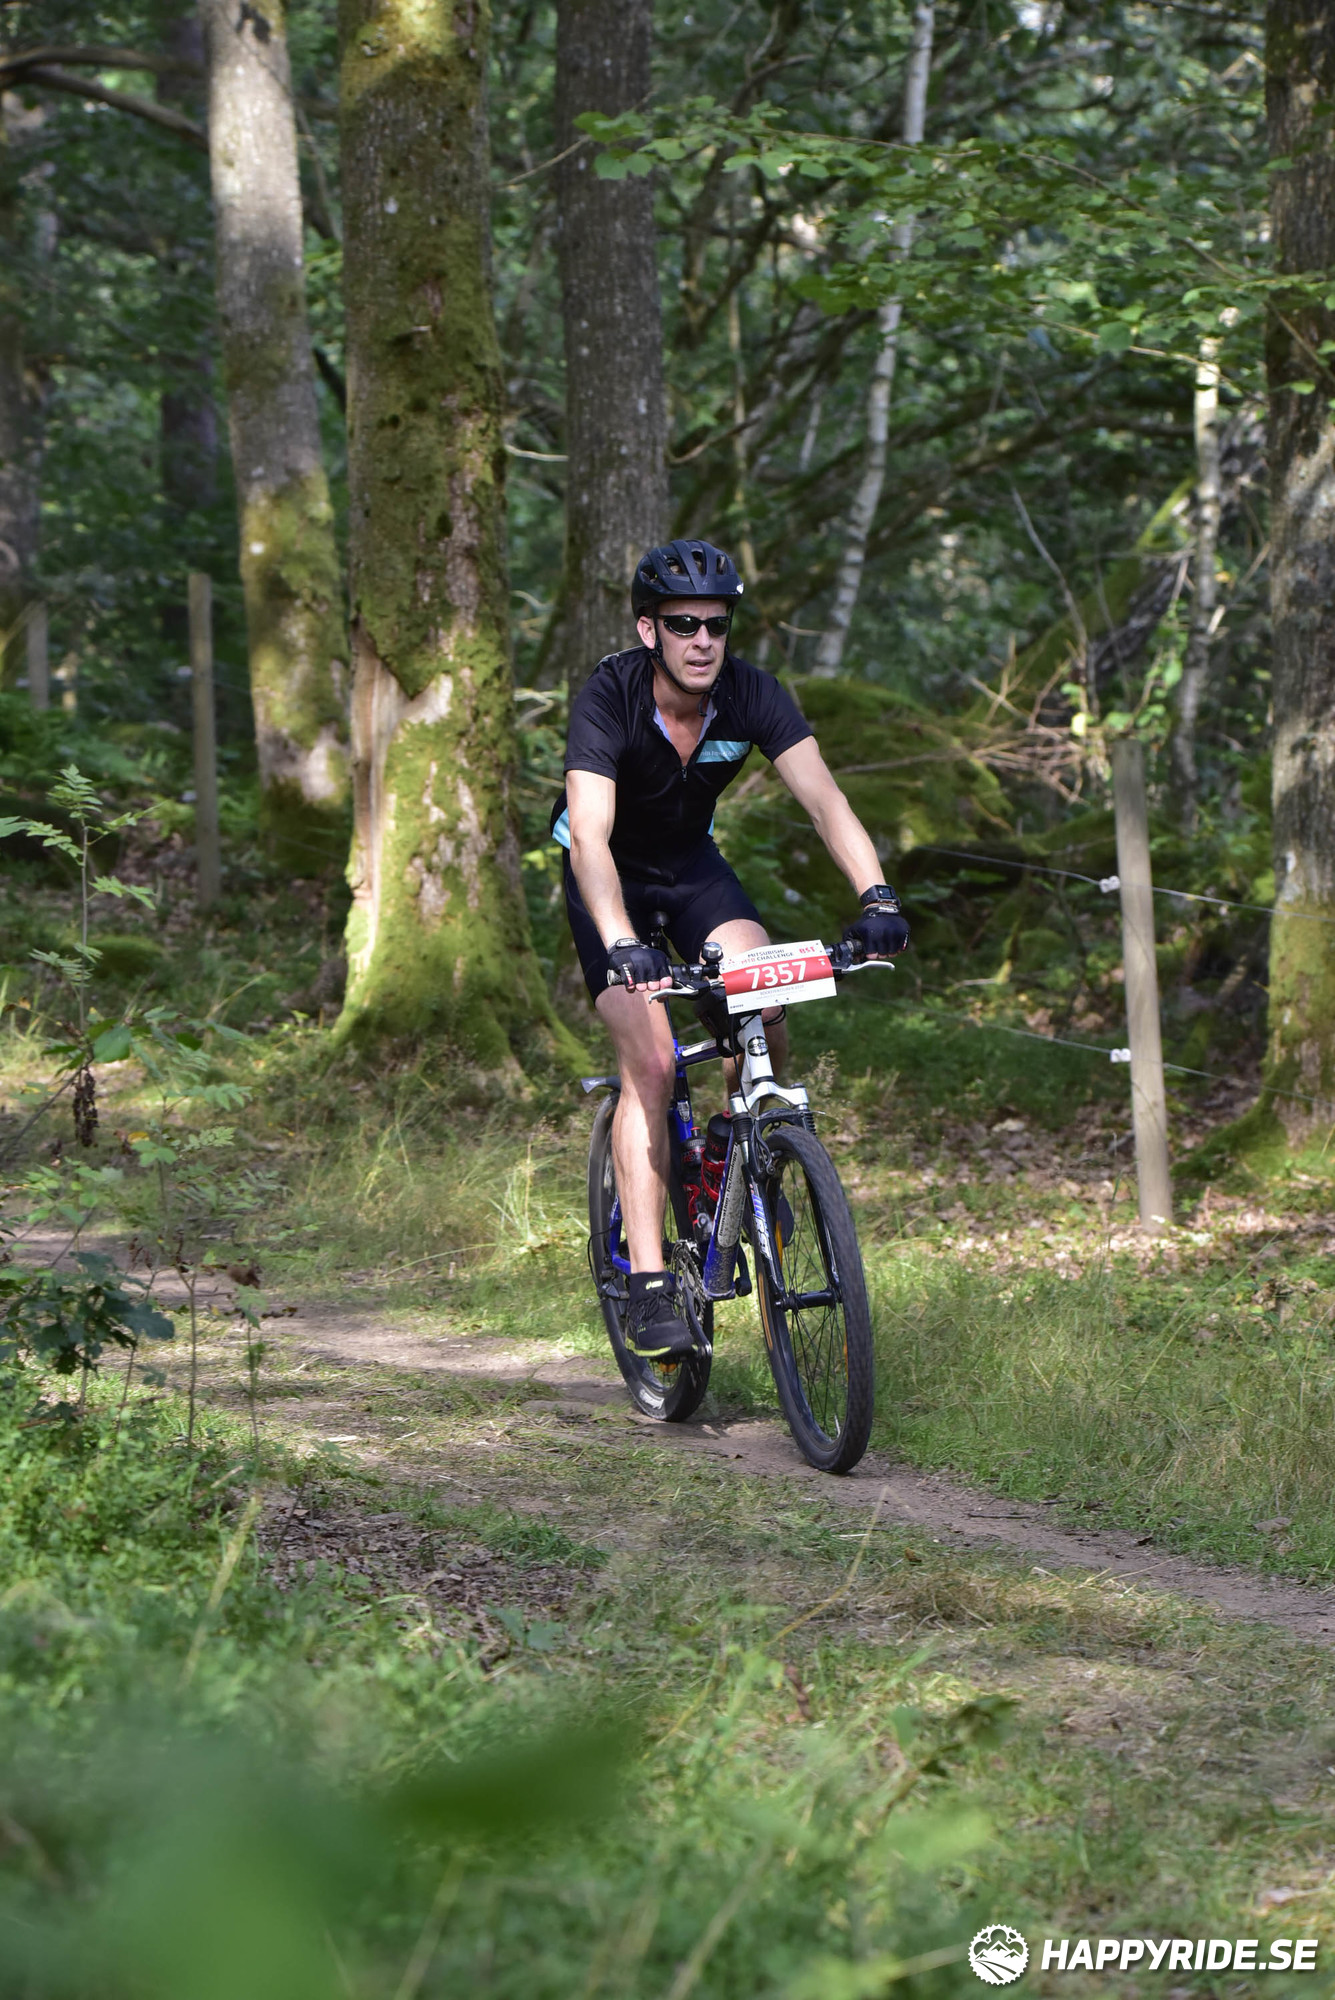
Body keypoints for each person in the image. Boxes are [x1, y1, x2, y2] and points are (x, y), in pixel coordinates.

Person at [553, 537, 910, 1361]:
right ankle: (648, 1283)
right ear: (649, 630)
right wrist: (621, 943)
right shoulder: (609, 695)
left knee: (764, 997)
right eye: (683, 624)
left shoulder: (750, 694)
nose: (702, 640)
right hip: (606, 876)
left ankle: (735, 1148)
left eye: (716, 625)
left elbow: (825, 802)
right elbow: (591, 838)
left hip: (690, 869)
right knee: (650, 1063)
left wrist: (877, 897)